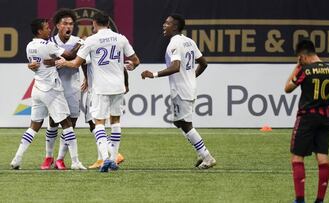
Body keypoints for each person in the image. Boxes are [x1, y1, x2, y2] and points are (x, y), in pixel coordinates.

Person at [55, 11, 140, 172]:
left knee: (98, 123)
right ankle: (114, 159)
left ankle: (106, 158)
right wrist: (130, 66)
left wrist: (63, 62)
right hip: (118, 87)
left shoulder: (91, 40)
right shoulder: (121, 38)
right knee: (115, 122)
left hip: (101, 88)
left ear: (94, 24)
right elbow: (135, 61)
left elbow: (75, 64)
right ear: (108, 23)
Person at [284, 39, 329, 203]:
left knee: (297, 158)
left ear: (302, 56)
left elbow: (287, 88)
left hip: (306, 118)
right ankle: (319, 200)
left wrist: (297, 67)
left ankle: (300, 200)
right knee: (323, 158)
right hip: (324, 118)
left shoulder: (306, 71)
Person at [141, 14, 216, 169]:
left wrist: (153, 74)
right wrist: (191, 76)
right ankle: (201, 153)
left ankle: (207, 156)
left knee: (186, 124)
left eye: (167, 23)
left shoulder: (174, 44)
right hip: (188, 87)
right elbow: (204, 63)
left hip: (181, 90)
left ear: (175, 26)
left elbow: (175, 67)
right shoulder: (189, 41)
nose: (164, 25)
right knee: (178, 122)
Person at [10, 18, 86, 170]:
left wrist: (52, 61)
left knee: (34, 126)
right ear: (39, 31)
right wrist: (81, 43)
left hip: (37, 88)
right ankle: (76, 161)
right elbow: (70, 55)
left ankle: (17, 159)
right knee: (67, 124)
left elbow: (36, 64)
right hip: (52, 89)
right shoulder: (49, 44)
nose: (49, 30)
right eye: (46, 28)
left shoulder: (29, 46)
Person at [33, 8, 84, 170]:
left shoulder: (78, 40)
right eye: (65, 24)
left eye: (71, 24)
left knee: (71, 125)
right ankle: (48, 156)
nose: (69, 26)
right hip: (54, 88)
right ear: (57, 25)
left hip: (73, 87)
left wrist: (88, 80)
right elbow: (43, 63)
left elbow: (83, 62)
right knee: (53, 123)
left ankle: (61, 158)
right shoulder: (50, 43)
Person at [81, 62, 126, 169]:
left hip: (96, 91)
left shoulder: (90, 45)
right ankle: (101, 158)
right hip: (112, 87)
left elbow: (81, 61)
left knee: (95, 124)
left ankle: (112, 153)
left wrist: (86, 77)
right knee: (107, 122)